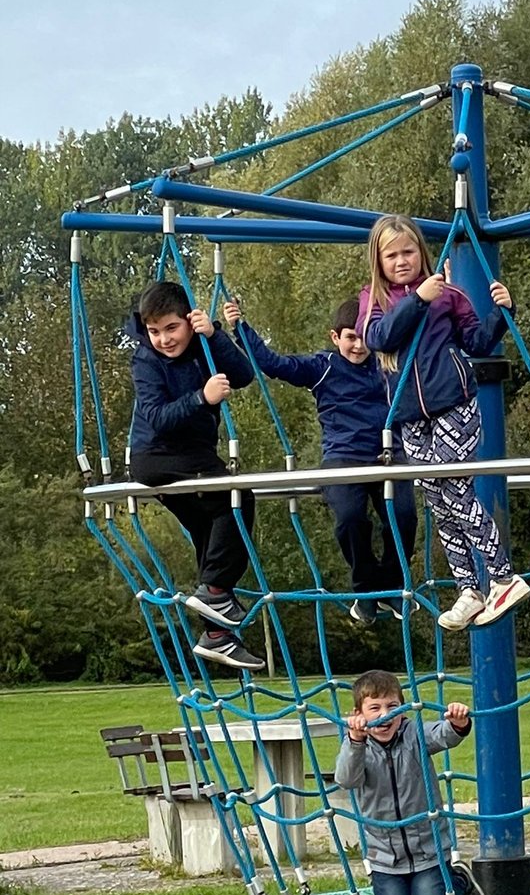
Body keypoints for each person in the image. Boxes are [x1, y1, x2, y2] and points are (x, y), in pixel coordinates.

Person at [357, 214, 530, 632]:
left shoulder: (448, 294)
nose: (402, 261)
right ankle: (469, 587)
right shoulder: (373, 300)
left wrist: (504, 313)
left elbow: (474, 341)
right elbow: (378, 339)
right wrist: (417, 299)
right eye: (392, 255)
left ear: (423, 252)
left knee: (455, 487)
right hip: (409, 416)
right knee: (437, 500)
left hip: (455, 402)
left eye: (409, 251)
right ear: (378, 262)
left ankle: (503, 577)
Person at [223, 297, 418, 626]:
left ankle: (391, 586)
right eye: (350, 337)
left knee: (404, 516)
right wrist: (240, 328)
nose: (358, 346)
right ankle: (365, 589)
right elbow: (274, 364)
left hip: (388, 455)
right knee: (351, 517)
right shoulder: (324, 366)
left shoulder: (388, 366)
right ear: (335, 337)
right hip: (343, 458)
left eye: (364, 336)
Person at [127, 279, 264, 672]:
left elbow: (242, 375)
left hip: (194, 453)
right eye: (155, 331)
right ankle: (216, 591)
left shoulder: (203, 347)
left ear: (189, 321)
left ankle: (217, 635)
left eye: (172, 328)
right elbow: (156, 417)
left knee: (211, 528)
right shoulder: (146, 360)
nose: (164, 339)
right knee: (237, 498)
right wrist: (201, 397)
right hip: (157, 455)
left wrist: (215, 335)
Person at [334, 668, 486, 895]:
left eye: (392, 706)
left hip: (429, 851)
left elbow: (443, 734)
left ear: (402, 711)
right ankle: (425, 890)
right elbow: (346, 778)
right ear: (358, 715)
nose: (385, 715)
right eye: (375, 708)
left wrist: (458, 723)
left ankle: (461, 881)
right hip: (385, 857)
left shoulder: (414, 735)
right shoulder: (357, 748)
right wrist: (355, 740)